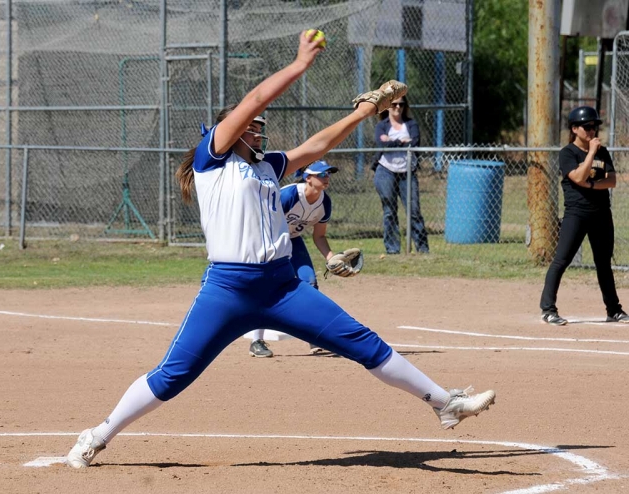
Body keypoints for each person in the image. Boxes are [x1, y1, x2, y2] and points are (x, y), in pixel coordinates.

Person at [66, 31, 496, 469]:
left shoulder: (267, 165)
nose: (258, 130)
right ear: (228, 129)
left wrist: (366, 112)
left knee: (361, 342)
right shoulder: (211, 158)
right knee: (174, 375)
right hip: (227, 290)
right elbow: (253, 100)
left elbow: (317, 146)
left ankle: (444, 403)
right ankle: (98, 434)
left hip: (282, 287)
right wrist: (300, 65)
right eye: (250, 127)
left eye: (257, 128)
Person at [540, 105, 629, 326]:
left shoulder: (603, 151)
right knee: (561, 260)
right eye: (588, 127)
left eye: (594, 127)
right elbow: (577, 176)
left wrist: (590, 183)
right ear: (575, 128)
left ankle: (614, 310)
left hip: (601, 214)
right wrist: (589, 154)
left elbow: (612, 181)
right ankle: (548, 310)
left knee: (603, 263)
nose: (592, 131)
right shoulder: (568, 153)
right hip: (576, 215)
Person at [248, 159, 340, 358]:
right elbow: (264, 222)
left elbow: (319, 236)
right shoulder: (290, 195)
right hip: (267, 238)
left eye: (328, 174)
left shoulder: (325, 202)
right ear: (308, 178)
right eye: (322, 174)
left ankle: (314, 338)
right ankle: (256, 341)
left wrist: (330, 257)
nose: (327, 178)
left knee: (309, 283)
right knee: (266, 286)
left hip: (292, 240)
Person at [373, 95, 429, 254]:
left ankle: (422, 249)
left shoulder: (411, 124)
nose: (397, 107)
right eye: (394, 104)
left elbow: (415, 142)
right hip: (386, 170)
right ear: (387, 107)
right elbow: (382, 143)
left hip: (407, 173)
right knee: (389, 212)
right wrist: (401, 142)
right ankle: (392, 249)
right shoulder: (381, 126)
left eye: (401, 104)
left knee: (414, 211)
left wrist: (392, 140)